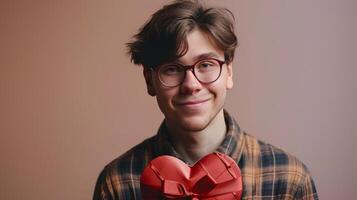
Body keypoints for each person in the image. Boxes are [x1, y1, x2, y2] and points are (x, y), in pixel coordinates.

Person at [93, 0, 318, 199]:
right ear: (150, 81)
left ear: (229, 72)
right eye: (172, 69)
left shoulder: (289, 181)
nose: (191, 84)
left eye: (206, 65)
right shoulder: (118, 182)